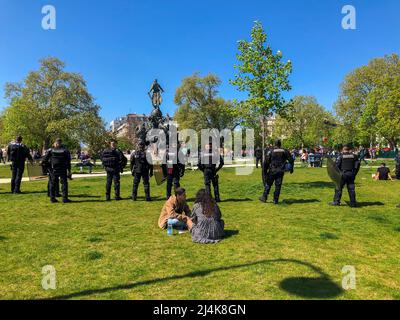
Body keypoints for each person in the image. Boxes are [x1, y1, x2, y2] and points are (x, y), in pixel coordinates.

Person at [259, 140, 294, 204]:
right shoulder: (284, 151)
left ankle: (264, 197)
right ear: (280, 144)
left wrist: (265, 171)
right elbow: (291, 160)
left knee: (268, 184)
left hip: (272, 170)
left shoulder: (270, 151)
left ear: (274, 144)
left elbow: (266, 162)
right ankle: (275, 200)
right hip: (281, 170)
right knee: (278, 185)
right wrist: (291, 168)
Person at [43, 138, 72, 203]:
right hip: (62, 168)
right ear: (61, 143)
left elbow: (44, 160)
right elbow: (68, 161)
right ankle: (64, 198)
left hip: (54, 169)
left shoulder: (51, 150)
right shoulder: (65, 150)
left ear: (55, 143)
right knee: (64, 184)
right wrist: (69, 170)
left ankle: (52, 198)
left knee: (52, 183)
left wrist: (48, 168)